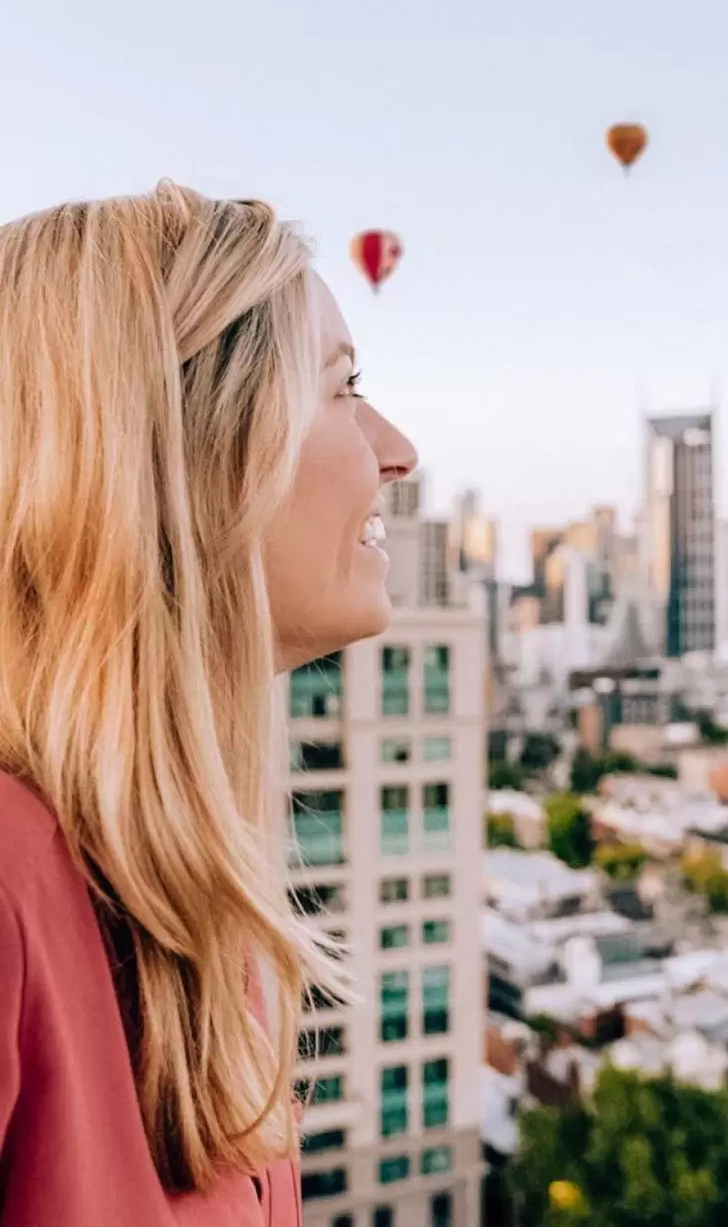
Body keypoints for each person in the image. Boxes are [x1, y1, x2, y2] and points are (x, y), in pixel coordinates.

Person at [0, 183, 417, 1225]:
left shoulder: (192, 905)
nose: (399, 449)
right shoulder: (10, 884)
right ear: (181, 447)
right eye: (342, 386)